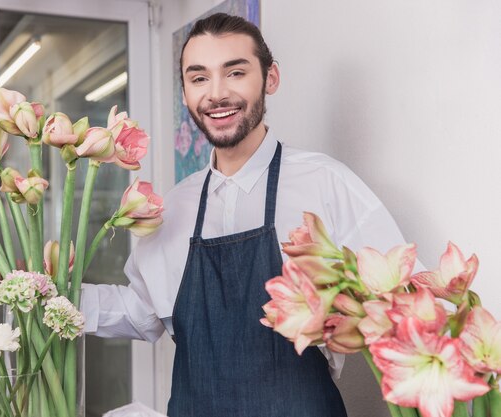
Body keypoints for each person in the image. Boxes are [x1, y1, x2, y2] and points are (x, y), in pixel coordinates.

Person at [81, 12, 409, 417]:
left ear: (270, 78)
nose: (216, 94)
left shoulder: (325, 183)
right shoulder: (175, 206)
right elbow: (141, 312)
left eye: (235, 73)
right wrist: (48, 292)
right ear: (185, 93)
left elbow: (404, 297)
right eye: (199, 78)